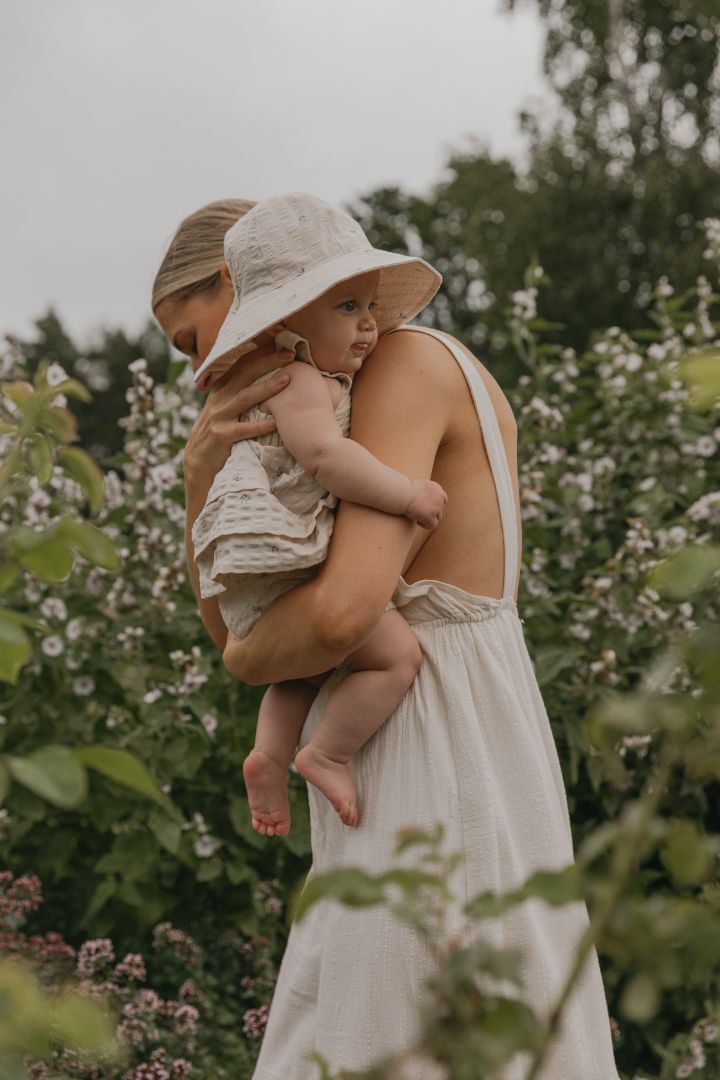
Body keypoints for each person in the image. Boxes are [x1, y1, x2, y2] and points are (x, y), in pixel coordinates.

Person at [153, 199, 621, 1079]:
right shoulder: (327, 405)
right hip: (408, 719)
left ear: (236, 286)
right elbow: (242, 617)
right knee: (371, 1014)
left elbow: (329, 620)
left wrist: (249, 663)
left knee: (414, 1020)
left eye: (191, 339)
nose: (195, 369)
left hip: (438, 723)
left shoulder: (403, 363)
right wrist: (201, 477)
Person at [189, 193, 447, 835]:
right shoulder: (295, 376)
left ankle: (268, 755)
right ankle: (324, 752)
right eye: (348, 306)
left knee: (301, 672)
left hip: (275, 565)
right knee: (394, 656)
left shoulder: (308, 375)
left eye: (369, 306)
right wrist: (406, 495)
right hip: (288, 551)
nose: (368, 325)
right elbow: (328, 459)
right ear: (289, 320)